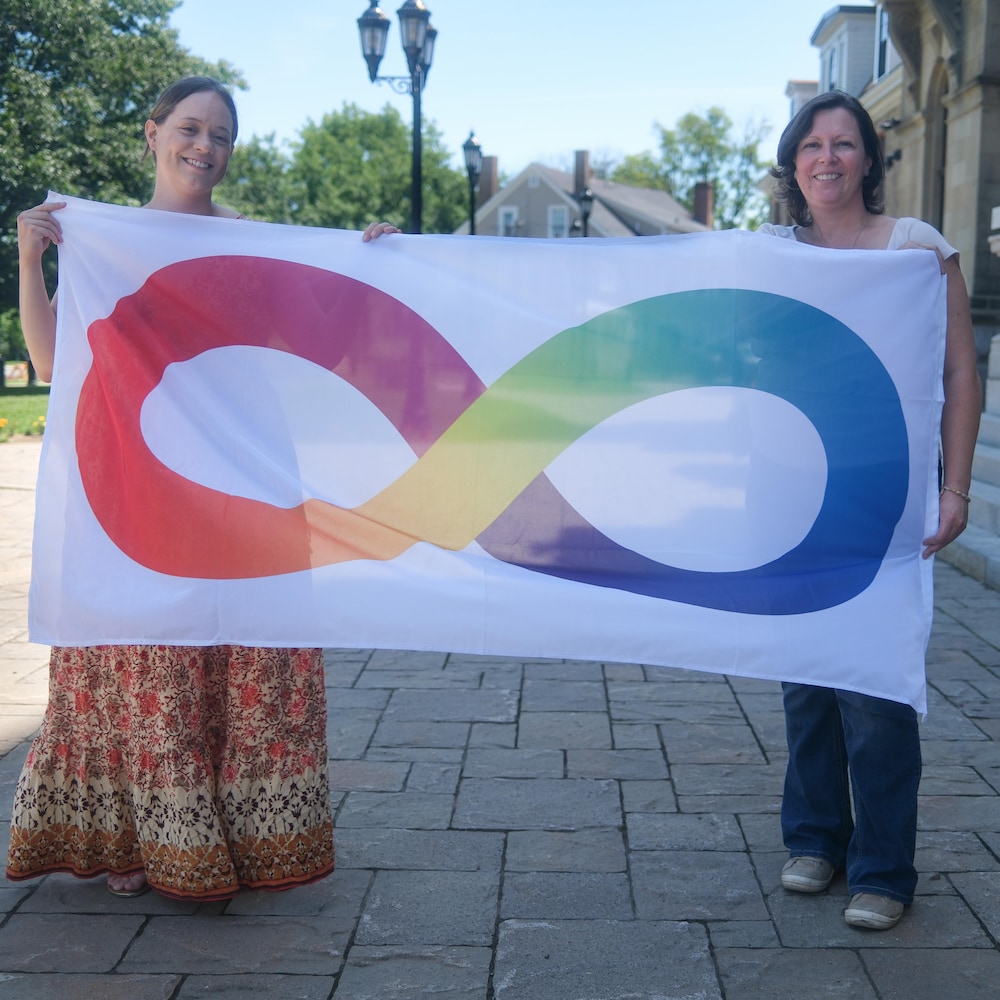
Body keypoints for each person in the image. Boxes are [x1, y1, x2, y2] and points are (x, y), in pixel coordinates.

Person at [7, 77, 341, 901]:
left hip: (247, 487)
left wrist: (376, 257)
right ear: (152, 133)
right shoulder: (103, 241)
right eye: (189, 128)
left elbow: (330, 338)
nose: (205, 146)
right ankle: (145, 837)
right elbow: (52, 370)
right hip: (136, 489)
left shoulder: (256, 241)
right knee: (150, 659)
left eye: (221, 135)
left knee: (241, 657)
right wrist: (30, 260)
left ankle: (242, 836)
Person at [759, 90, 982, 930]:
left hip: (882, 496)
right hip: (784, 495)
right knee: (807, 678)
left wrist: (953, 485)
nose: (827, 158)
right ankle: (815, 836)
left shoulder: (915, 249)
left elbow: (961, 373)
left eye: (844, 144)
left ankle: (884, 866)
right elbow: (632, 278)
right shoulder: (771, 253)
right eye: (811, 144)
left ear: (868, 160)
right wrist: (405, 254)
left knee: (877, 684)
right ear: (793, 162)